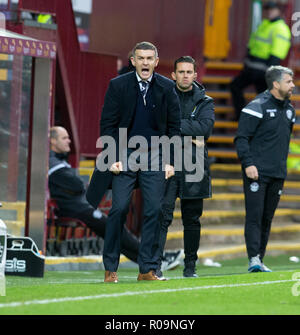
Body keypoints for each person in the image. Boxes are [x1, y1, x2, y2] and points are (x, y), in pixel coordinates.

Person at [87, 41, 181, 283]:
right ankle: (110, 268)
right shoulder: (118, 85)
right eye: (141, 58)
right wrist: (111, 156)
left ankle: (146, 270)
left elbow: (174, 127)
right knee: (118, 209)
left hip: (156, 155)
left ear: (156, 62)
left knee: (154, 210)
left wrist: (170, 161)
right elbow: (107, 123)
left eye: (150, 58)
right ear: (133, 61)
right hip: (124, 154)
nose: (145, 62)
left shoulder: (167, 87)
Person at [156, 56, 215, 279]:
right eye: (181, 72)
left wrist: (174, 127)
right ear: (173, 75)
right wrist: (189, 132)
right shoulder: (162, 97)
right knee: (162, 217)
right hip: (166, 163)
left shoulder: (205, 101)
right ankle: (155, 265)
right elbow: (157, 126)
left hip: (194, 166)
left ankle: (190, 266)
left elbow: (205, 130)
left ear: (195, 75)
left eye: (189, 72)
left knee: (192, 220)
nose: (185, 75)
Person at [234, 65, 296, 273]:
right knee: (255, 215)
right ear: (276, 84)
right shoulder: (256, 106)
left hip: (278, 173)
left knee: (267, 218)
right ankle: (253, 259)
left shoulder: (290, 110)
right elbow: (241, 138)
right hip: (256, 172)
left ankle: (260, 258)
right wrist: (248, 163)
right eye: (289, 81)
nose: (293, 85)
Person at [230, 1, 291, 120]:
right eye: (267, 9)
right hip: (252, 68)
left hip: (264, 70)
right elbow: (253, 43)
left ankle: (266, 121)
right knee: (235, 86)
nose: (269, 12)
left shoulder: (280, 28)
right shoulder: (263, 24)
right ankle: (241, 116)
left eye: (272, 10)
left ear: (278, 11)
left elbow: (277, 53)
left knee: (265, 98)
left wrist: (269, 72)